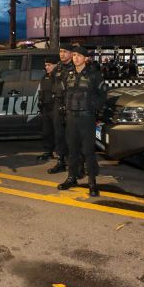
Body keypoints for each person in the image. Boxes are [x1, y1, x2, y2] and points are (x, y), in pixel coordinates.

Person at [57, 46, 106, 196]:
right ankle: (71, 178)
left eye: (79, 56)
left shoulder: (95, 75)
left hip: (86, 117)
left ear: (85, 58)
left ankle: (92, 183)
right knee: (72, 151)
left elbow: (103, 95)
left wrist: (93, 108)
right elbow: (63, 93)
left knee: (88, 151)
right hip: (71, 117)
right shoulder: (68, 74)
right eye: (74, 55)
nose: (75, 58)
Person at [47, 44, 74, 174]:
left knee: (72, 136)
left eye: (65, 51)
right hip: (58, 104)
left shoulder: (75, 67)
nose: (62, 54)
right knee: (59, 134)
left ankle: (75, 163)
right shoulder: (57, 67)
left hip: (71, 105)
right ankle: (61, 161)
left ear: (71, 53)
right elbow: (53, 83)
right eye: (61, 51)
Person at [37, 56, 58, 161]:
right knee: (46, 131)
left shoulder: (59, 77)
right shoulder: (45, 77)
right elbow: (41, 91)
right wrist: (40, 102)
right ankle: (49, 151)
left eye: (49, 65)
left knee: (58, 132)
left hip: (55, 108)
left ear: (55, 65)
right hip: (46, 108)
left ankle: (60, 155)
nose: (46, 67)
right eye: (45, 65)